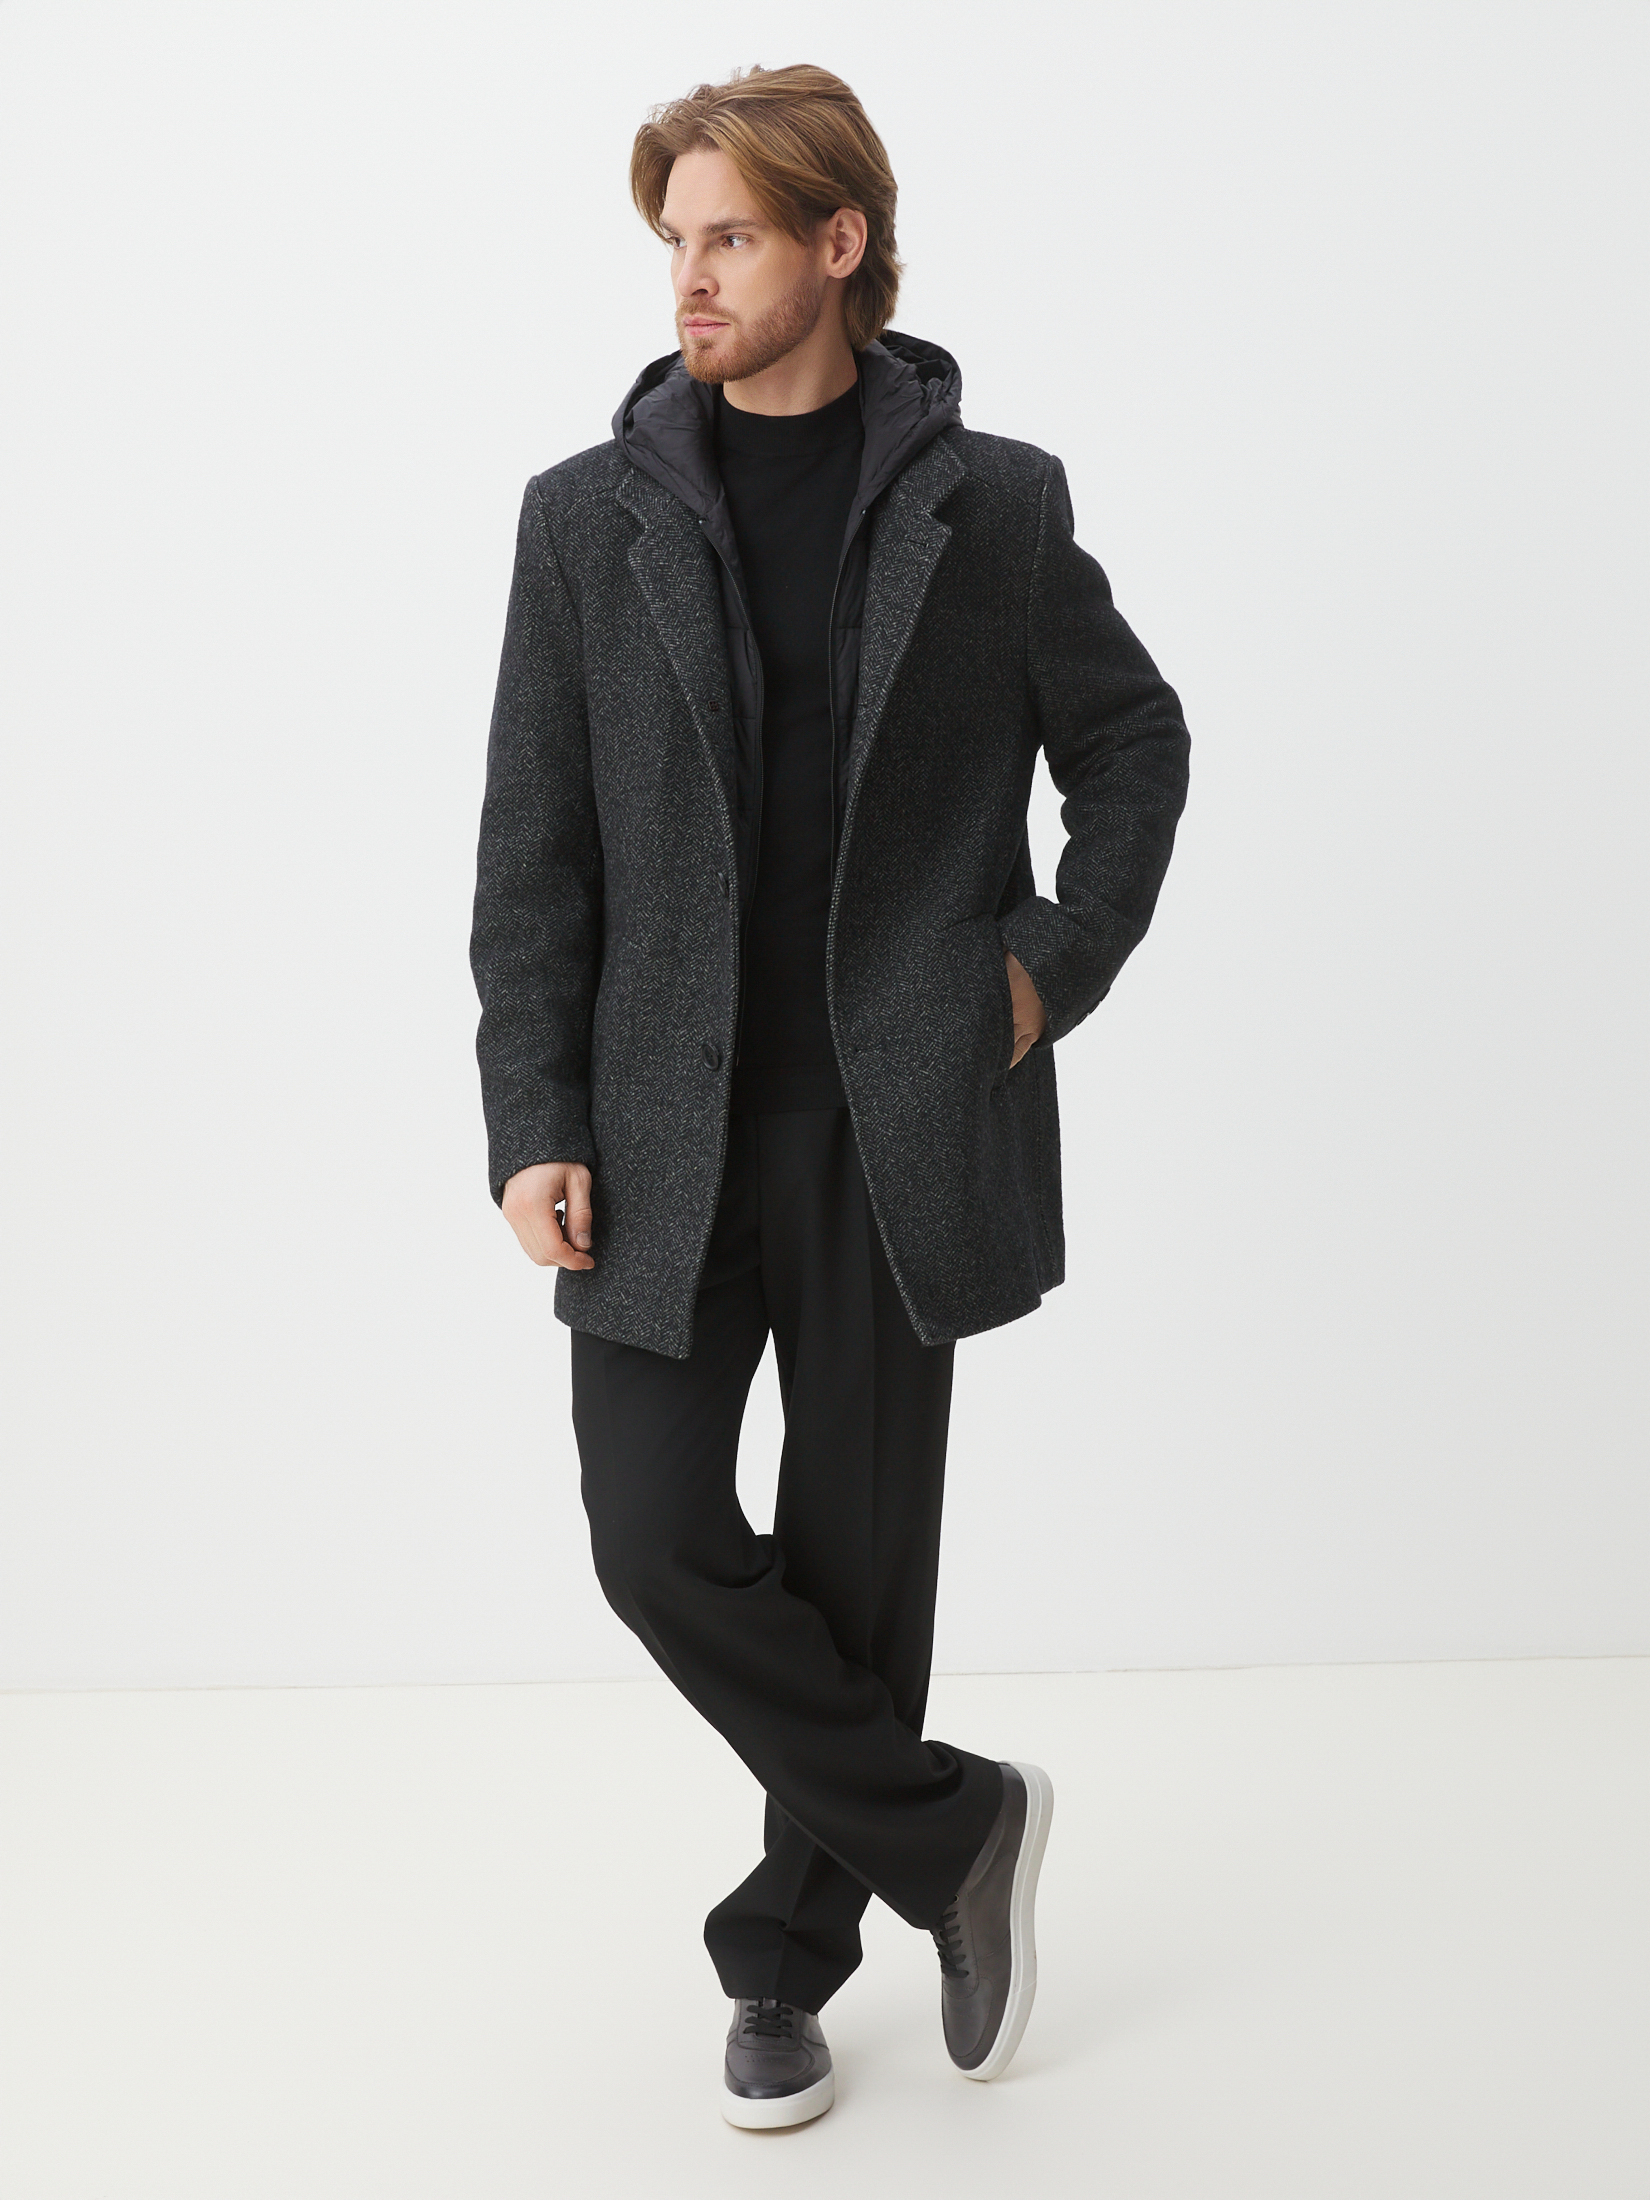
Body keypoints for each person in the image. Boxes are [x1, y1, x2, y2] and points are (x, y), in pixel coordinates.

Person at [469, 61, 1190, 2128]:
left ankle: (785, 1962)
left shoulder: (996, 507)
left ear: (838, 244)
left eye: (728, 238)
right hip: (658, 1131)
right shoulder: (584, 519)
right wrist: (534, 1110)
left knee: (861, 1565)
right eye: (674, 243)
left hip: (900, 1119)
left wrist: (1045, 967)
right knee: (651, 1531)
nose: (688, 279)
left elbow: (1133, 743)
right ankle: (954, 1826)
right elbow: (534, 847)